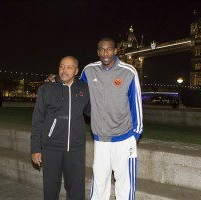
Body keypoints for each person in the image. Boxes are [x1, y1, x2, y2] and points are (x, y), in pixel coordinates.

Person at [46, 37, 143, 200]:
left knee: (124, 185)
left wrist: (135, 136)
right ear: (97, 52)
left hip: (124, 137)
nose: (106, 53)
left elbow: (136, 105)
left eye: (109, 49)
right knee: (99, 183)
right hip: (100, 139)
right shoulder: (89, 71)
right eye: (102, 49)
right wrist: (56, 78)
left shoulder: (129, 72)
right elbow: (74, 84)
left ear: (115, 50)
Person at [31, 56, 91, 200]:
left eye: (69, 67)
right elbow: (37, 120)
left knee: (76, 189)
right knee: (51, 189)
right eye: (61, 66)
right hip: (51, 147)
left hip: (76, 148)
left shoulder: (84, 89)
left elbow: (93, 112)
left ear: (76, 70)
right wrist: (35, 149)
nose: (64, 70)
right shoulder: (46, 88)